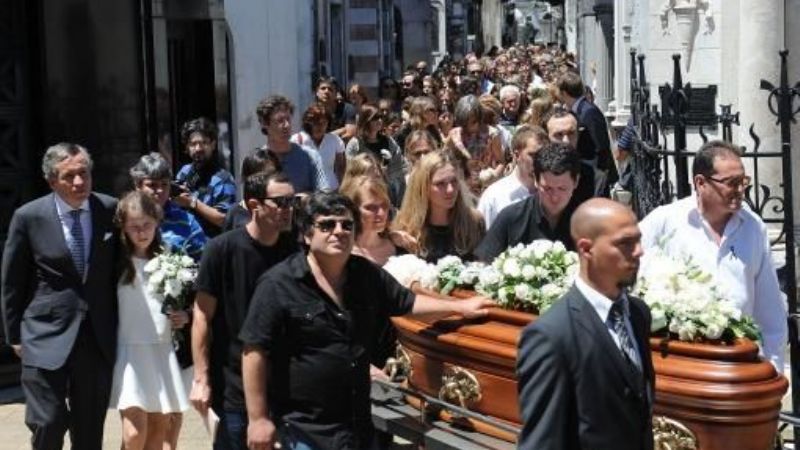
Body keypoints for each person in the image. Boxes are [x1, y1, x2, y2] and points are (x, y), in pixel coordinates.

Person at [239, 191, 495, 450]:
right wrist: (258, 419)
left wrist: (460, 307)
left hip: (357, 428)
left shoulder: (366, 275)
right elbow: (254, 350)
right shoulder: (278, 285)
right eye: (327, 224)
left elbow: (410, 304)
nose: (338, 231)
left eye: (346, 225)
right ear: (306, 234)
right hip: (305, 431)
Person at [1, 143, 119, 449]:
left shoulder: (110, 210)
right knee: (49, 421)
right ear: (52, 181)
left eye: (84, 173)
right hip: (43, 334)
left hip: (95, 337)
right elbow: (12, 281)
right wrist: (14, 335)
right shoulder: (29, 217)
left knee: (89, 432)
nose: (79, 182)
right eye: (69, 176)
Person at [517, 198, 654, 450]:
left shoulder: (637, 315)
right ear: (586, 249)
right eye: (625, 243)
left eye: (638, 240)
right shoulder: (552, 336)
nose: (638, 251)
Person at [639, 140, 787, 370]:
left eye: (743, 182)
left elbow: (769, 306)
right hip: (682, 361)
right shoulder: (665, 221)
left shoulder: (753, 227)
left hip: (740, 361)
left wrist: (774, 366)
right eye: (732, 183)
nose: (740, 190)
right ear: (700, 183)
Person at [190, 172, 300, 450]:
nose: (289, 209)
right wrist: (201, 379)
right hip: (234, 388)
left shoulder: (296, 251)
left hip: (287, 387)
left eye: (292, 201)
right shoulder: (221, 250)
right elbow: (202, 316)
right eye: (281, 202)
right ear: (254, 205)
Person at [108, 191, 190, 450]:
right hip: (129, 350)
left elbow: (185, 299)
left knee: (158, 430)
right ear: (124, 227)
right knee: (134, 433)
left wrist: (183, 315)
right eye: (134, 227)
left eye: (147, 225)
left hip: (160, 348)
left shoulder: (169, 257)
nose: (141, 232)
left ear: (157, 222)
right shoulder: (115, 261)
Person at [476, 142, 580, 262]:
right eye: (547, 189)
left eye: (562, 189)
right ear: (535, 180)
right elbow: (483, 263)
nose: (554, 197)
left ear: (576, 182)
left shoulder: (589, 222)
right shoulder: (511, 217)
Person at [394, 151, 484, 263]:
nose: (450, 190)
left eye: (454, 181)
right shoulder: (405, 229)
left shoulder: (474, 222)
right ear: (423, 187)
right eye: (440, 184)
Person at [130, 152, 207, 261]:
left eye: (165, 184)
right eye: (152, 185)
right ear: (138, 185)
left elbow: (203, 263)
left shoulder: (187, 222)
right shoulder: (127, 219)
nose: (160, 190)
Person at [557, 71, 618, 197]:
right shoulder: (575, 110)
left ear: (564, 93)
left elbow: (601, 147)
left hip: (594, 178)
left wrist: (597, 177)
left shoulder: (588, 112)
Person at [173, 117, 237, 238]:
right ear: (186, 147)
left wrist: (192, 202)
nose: (198, 149)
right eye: (193, 144)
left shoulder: (223, 178)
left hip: (211, 245)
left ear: (213, 144)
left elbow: (223, 219)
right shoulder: (184, 172)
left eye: (203, 143)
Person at [477, 126, 548, 229]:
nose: (539, 160)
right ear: (517, 155)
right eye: (533, 155)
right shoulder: (495, 197)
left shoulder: (552, 192)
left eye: (543, 154)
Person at [256, 95, 329, 193]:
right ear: (265, 123)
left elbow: (324, 194)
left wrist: (305, 199)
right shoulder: (257, 161)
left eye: (288, 119)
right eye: (280, 121)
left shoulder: (310, 156)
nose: (286, 125)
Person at [445, 95, 504, 194]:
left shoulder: (492, 134)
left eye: (472, 122)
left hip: (484, 187)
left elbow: (501, 162)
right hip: (461, 188)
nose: (468, 127)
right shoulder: (455, 134)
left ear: (479, 118)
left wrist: (493, 176)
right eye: (464, 123)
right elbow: (443, 158)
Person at [345, 104, 406, 191]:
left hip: (386, 188)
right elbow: (350, 170)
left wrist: (387, 177)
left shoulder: (389, 141)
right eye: (375, 118)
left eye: (381, 117)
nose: (380, 120)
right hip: (363, 188)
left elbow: (398, 165)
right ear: (366, 120)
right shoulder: (355, 143)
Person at [544, 107, 595, 207]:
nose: (566, 141)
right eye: (559, 135)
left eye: (571, 134)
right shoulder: (537, 177)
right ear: (546, 137)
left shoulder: (596, 179)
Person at [223, 149, 282, 232]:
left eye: (272, 174)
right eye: (261, 176)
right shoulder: (235, 214)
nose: (267, 180)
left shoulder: (284, 209)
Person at [291, 104, 346, 189]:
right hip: (307, 192)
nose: (320, 126)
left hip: (331, 191)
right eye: (316, 122)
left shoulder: (335, 140)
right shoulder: (296, 140)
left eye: (323, 122)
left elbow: (341, 167)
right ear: (308, 123)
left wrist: (342, 188)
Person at [314, 76, 357, 141]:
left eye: (330, 89)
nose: (326, 91)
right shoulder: (313, 111)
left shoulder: (347, 108)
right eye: (323, 88)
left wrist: (324, 138)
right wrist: (343, 129)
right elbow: (313, 136)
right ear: (317, 92)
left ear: (336, 93)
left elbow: (350, 133)